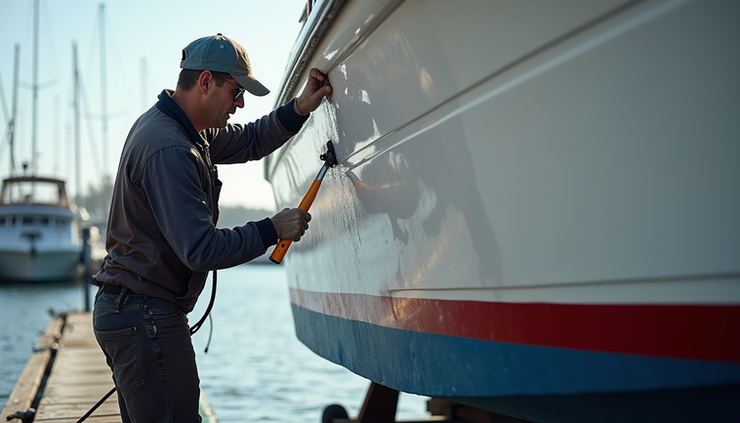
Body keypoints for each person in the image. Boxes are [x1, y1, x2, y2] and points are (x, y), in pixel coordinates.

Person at [92, 33, 331, 422]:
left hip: (133, 311)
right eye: (236, 92)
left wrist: (301, 107)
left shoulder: (184, 128)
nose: (240, 104)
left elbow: (252, 140)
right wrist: (273, 229)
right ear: (206, 82)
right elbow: (200, 249)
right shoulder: (171, 148)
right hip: (145, 316)